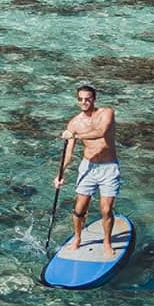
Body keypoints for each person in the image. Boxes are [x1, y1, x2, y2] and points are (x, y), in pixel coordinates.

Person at [56, 82, 120, 258]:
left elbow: (100, 132)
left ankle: (107, 242)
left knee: (106, 210)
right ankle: (77, 238)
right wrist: (60, 175)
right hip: (88, 167)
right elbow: (68, 154)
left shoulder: (106, 113)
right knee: (79, 209)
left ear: (94, 99)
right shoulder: (74, 123)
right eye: (80, 99)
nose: (84, 102)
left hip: (109, 167)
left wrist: (74, 135)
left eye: (87, 99)